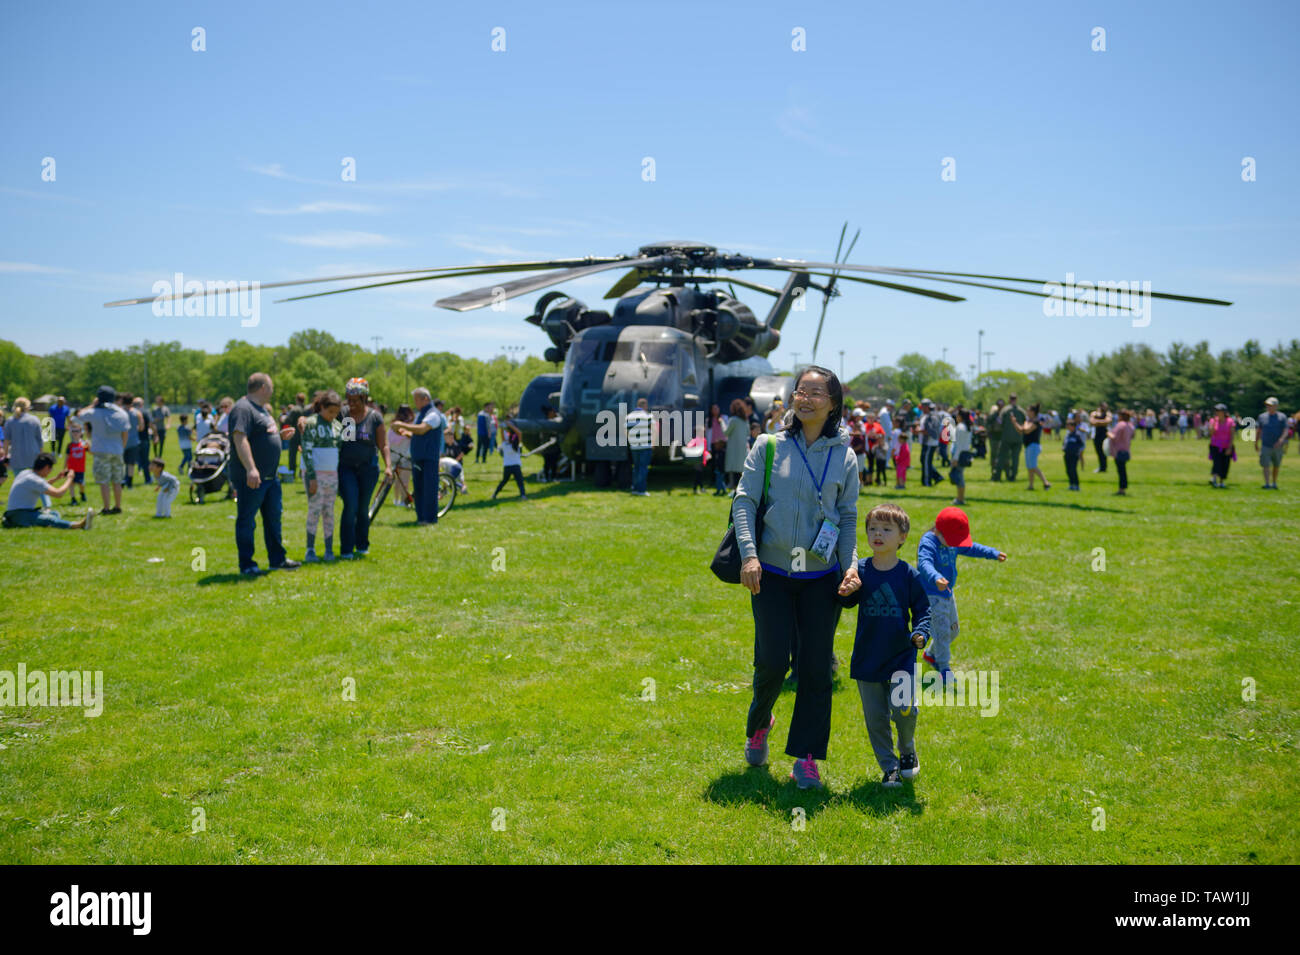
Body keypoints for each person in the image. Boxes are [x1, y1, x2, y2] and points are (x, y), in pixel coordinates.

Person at [734, 365, 860, 790]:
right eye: (800, 390)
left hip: (820, 578)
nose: (804, 398)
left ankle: (806, 757)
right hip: (769, 572)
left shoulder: (845, 455)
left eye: (815, 392)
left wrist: (851, 565)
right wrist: (749, 557)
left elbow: (846, 517)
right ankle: (760, 721)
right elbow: (744, 502)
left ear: (834, 403)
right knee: (771, 662)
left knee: (814, 669)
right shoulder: (768, 446)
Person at [835, 502, 930, 787]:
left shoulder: (908, 575)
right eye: (872, 528)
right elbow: (847, 601)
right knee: (876, 720)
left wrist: (921, 634)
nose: (878, 534)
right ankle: (889, 767)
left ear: (902, 537)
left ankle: (907, 749)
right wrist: (845, 591)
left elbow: (924, 611)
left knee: (905, 710)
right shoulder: (860, 569)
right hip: (868, 659)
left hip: (901, 657)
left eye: (887, 529)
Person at [916, 506, 1007, 683]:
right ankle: (944, 669)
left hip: (947, 594)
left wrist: (993, 554)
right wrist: (936, 577)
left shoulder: (953, 541)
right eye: (951, 540)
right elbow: (924, 562)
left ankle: (930, 654)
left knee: (953, 631)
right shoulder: (929, 542)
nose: (954, 544)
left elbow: (972, 548)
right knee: (942, 634)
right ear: (937, 531)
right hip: (932, 596)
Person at [229, 373, 300, 575]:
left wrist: (278, 436)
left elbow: (260, 436)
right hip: (252, 478)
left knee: (273, 519)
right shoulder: (243, 408)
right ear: (262, 388)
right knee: (247, 520)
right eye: (271, 387)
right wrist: (251, 468)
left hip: (270, 478)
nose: (273, 391)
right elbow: (240, 438)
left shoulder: (260, 409)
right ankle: (248, 565)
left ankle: (277, 560)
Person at [338, 378, 390, 558]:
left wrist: (388, 467)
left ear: (365, 398)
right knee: (350, 504)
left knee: (362, 507)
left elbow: (383, 444)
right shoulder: (343, 413)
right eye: (348, 399)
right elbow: (322, 418)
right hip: (346, 468)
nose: (351, 404)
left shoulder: (374, 417)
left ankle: (362, 544)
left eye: (355, 400)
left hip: (368, 468)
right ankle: (346, 548)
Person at [390, 387, 444, 525]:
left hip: (428, 458)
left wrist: (402, 424)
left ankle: (430, 519)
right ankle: (421, 518)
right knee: (419, 489)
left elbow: (422, 430)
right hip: (419, 456)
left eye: (416, 400)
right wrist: (405, 433)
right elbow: (417, 434)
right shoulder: (422, 414)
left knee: (429, 489)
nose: (415, 403)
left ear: (425, 399)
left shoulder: (433, 414)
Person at [301, 390, 343, 561]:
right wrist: (311, 476)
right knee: (314, 510)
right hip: (315, 475)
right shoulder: (311, 423)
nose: (333, 416)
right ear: (322, 408)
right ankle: (310, 549)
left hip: (332, 475)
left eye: (336, 413)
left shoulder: (337, 426)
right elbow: (307, 450)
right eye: (330, 412)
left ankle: (329, 549)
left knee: (329, 511)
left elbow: (339, 449)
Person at [2, 452, 93, 530]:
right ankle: (78, 525)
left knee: (54, 513)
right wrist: (70, 479)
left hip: (17, 513)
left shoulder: (26, 473)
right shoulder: (35, 480)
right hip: (19, 515)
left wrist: (56, 478)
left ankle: (53, 523)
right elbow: (58, 494)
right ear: (46, 467)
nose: (50, 471)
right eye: (50, 468)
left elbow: (42, 485)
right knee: (48, 519)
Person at [76, 386, 130, 514]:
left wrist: (92, 405)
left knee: (104, 481)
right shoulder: (121, 412)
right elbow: (125, 433)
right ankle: (118, 506)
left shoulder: (94, 412)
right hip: (117, 449)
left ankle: (106, 508)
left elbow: (79, 416)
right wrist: (121, 447)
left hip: (101, 451)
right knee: (117, 480)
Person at [1014, 402, 1051, 490]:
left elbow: (1026, 430)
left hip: (1033, 446)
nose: (1027, 413)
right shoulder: (1029, 421)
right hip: (1028, 446)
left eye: (1028, 411)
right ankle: (1031, 485)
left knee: (1033, 466)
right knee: (1029, 467)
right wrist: (1014, 422)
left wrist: (1026, 422)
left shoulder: (1036, 421)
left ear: (1033, 412)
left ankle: (1046, 482)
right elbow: (1020, 430)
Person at [3, 398, 44, 474]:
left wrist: (5, 457)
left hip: (17, 457)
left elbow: (6, 441)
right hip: (33, 456)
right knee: (33, 483)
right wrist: (41, 455)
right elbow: (40, 440)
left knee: (19, 483)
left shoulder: (10, 421)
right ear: (28, 407)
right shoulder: (34, 420)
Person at [1257, 397, 1290, 489]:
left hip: (1278, 446)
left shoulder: (1282, 417)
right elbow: (1259, 430)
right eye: (1267, 405)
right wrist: (1256, 442)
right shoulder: (1262, 416)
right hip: (1265, 445)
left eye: (1270, 405)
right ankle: (1267, 483)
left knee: (1276, 465)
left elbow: (1285, 430)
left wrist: (1281, 440)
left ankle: (1274, 482)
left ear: (1276, 406)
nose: (1268, 407)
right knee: (1265, 465)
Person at [625, 397, 654, 496]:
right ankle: (641, 490)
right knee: (643, 468)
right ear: (645, 405)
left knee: (636, 468)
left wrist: (631, 441)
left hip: (634, 447)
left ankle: (635, 488)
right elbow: (654, 430)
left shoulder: (629, 417)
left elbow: (626, 431)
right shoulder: (648, 416)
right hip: (645, 446)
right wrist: (653, 442)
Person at [387, 405, 415, 506]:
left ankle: (396, 500)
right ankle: (404, 501)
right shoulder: (408, 425)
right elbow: (411, 436)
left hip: (393, 455)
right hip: (405, 456)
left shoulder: (393, 424)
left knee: (397, 480)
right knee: (404, 480)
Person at [493, 424, 529, 500]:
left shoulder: (505, 444)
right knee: (520, 482)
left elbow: (502, 436)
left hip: (507, 466)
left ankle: (495, 494)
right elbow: (519, 433)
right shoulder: (516, 445)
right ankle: (523, 495)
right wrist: (510, 425)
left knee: (504, 481)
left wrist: (502, 427)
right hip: (516, 466)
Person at [996, 394, 1025, 482]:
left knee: (1002, 457)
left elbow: (999, 422)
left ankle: (998, 476)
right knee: (1015, 458)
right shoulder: (1021, 410)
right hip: (1018, 438)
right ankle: (1013, 476)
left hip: (1006, 437)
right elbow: (1025, 422)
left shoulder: (1005, 410)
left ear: (1009, 400)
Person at [949, 409, 973, 506]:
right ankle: (960, 497)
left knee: (959, 477)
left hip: (959, 454)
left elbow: (958, 445)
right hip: (965, 453)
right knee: (960, 475)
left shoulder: (960, 427)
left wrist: (955, 458)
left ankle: (960, 498)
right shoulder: (968, 427)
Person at [1208, 403, 1235, 489]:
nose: (1217, 412)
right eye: (1216, 411)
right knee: (1217, 463)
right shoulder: (1213, 421)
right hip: (1215, 445)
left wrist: (1230, 447)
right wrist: (1214, 424)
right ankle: (1214, 479)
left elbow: (1232, 435)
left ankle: (1221, 481)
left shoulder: (1230, 421)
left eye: (1219, 411)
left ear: (1224, 412)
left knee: (1225, 464)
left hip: (1226, 446)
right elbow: (1211, 433)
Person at [724, 399, 749, 490]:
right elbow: (748, 433)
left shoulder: (733, 420)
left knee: (732, 468)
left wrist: (722, 422)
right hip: (742, 449)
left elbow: (726, 432)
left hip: (733, 449)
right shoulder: (745, 421)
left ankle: (732, 487)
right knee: (740, 470)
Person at [281, 393, 308, 478]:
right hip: (305, 434)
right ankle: (302, 472)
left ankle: (292, 473)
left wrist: (282, 419)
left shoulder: (295, 409)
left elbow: (287, 421)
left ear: (297, 399)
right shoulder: (307, 409)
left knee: (292, 454)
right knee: (305, 454)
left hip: (294, 433)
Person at [1109, 409, 1135, 495]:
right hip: (1126, 450)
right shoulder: (1130, 425)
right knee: (1123, 470)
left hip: (1119, 451)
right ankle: (1123, 488)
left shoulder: (1120, 425)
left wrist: (1108, 433)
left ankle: (1122, 489)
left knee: (1121, 471)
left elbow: (1114, 437)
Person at [919, 399, 944, 487]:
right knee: (924, 460)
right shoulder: (928, 415)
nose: (922, 408)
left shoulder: (932, 416)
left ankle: (927, 482)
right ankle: (937, 476)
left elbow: (931, 431)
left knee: (926, 462)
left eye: (923, 407)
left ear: (926, 407)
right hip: (927, 442)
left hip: (930, 443)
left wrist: (919, 431)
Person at [64, 424, 88, 503]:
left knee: (81, 483)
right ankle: (73, 498)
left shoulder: (84, 444)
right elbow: (67, 457)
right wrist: (65, 468)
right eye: (73, 431)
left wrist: (89, 444)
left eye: (77, 431)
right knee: (71, 483)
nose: (75, 433)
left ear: (81, 433)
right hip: (71, 469)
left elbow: (91, 452)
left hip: (80, 468)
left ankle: (82, 492)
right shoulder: (70, 445)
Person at [707, 404, 727, 494]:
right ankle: (714, 481)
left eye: (717, 408)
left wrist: (722, 421)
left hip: (722, 444)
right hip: (714, 444)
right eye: (713, 409)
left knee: (722, 465)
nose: (715, 410)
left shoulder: (723, 418)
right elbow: (708, 434)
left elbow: (726, 430)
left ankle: (723, 483)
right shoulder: (709, 420)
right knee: (714, 465)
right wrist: (708, 447)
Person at [1062, 415, 1087, 490]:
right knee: (1068, 470)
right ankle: (1071, 484)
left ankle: (1076, 485)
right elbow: (1064, 443)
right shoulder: (1068, 434)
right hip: (1067, 454)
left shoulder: (1077, 435)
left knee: (1073, 470)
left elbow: (1081, 444)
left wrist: (1077, 450)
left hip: (1074, 455)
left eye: (1068, 425)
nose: (1067, 426)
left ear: (1073, 426)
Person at [133, 397, 153, 483]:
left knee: (130, 461)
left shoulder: (130, 413)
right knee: (145, 460)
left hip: (132, 440)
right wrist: (155, 435)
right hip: (144, 439)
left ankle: (127, 480)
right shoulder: (145, 412)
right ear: (142, 404)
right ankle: (148, 479)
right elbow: (151, 424)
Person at [1089, 402, 1113, 473]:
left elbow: (1108, 421)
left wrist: (1097, 422)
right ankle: (1101, 466)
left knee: (1104, 451)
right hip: (1096, 435)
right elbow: (1091, 422)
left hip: (1104, 435)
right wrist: (1102, 422)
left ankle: (1104, 467)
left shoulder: (1108, 413)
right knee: (1098, 452)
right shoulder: (1094, 413)